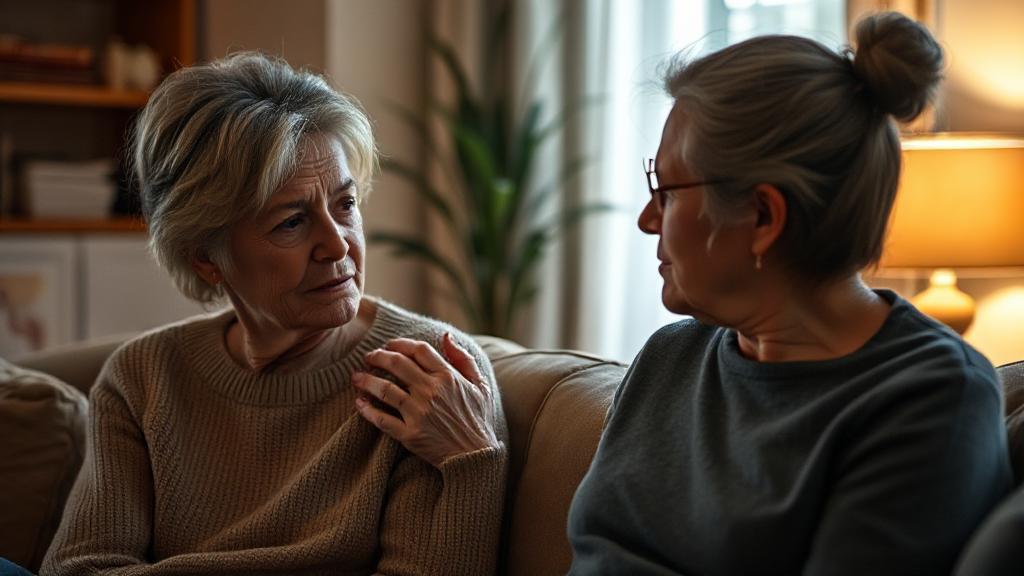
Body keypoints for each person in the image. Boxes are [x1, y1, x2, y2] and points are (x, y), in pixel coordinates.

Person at [567, 12, 1012, 575]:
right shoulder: (670, 358)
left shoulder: (929, 401)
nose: (647, 220)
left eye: (668, 191)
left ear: (762, 216)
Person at [40, 52, 507, 575]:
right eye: (292, 222)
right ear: (206, 257)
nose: (338, 246)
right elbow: (79, 567)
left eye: (346, 205)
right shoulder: (143, 379)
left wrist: (473, 466)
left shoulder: (431, 377)